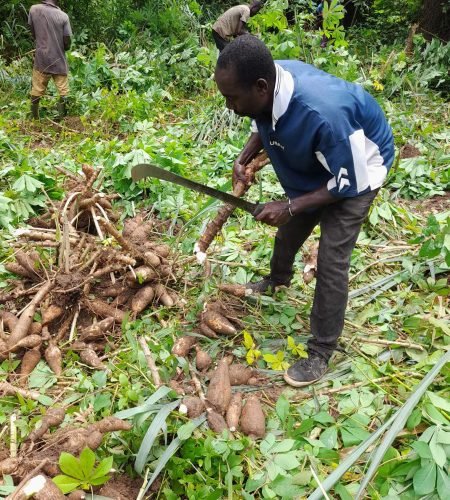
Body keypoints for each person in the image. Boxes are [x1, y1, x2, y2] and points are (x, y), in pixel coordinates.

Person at [214, 35, 394, 387]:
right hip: (323, 158)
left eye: (232, 98)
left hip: (360, 167)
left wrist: (293, 204)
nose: (229, 107)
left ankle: (322, 350)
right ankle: (278, 280)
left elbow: (348, 181)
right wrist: (243, 158)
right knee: (289, 231)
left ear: (261, 87)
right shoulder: (268, 84)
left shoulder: (323, 115)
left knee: (331, 259)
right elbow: (261, 120)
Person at [28, 0, 72, 120]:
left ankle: (34, 118)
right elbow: (67, 40)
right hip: (58, 60)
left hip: (41, 59)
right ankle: (62, 119)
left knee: (37, 89)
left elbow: (33, 31)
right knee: (64, 91)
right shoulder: (63, 16)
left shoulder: (34, 9)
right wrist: (63, 48)